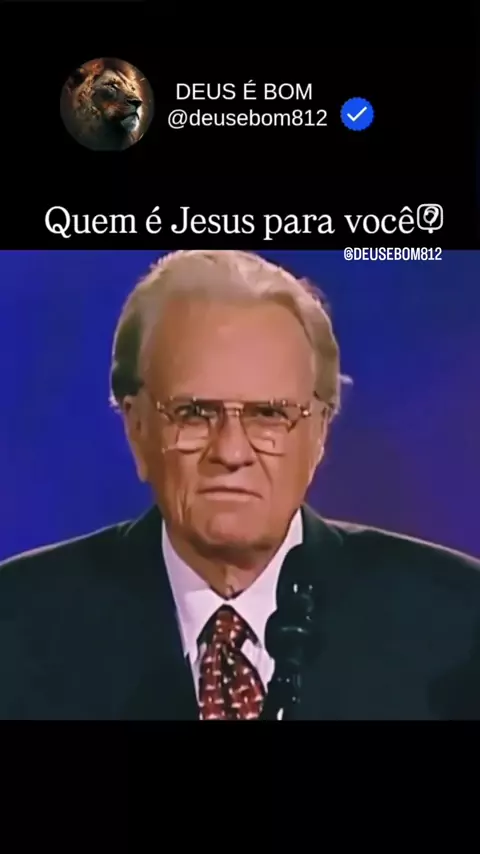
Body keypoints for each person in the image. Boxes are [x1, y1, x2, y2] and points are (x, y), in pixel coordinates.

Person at [1, 249, 480, 720]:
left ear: (319, 432)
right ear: (137, 428)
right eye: (194, 413)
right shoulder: (17, 623)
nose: (231, 452)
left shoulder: (457, 624)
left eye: (268, 414)